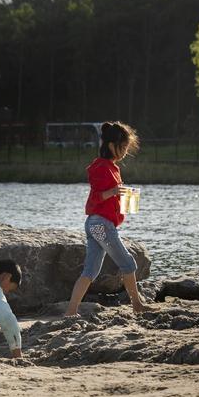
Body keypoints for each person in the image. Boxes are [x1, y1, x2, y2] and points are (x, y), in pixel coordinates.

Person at [65, 121, 154, 317]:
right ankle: (137, 305)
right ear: (111, 145)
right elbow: (96, 196)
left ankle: (70, 312)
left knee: (90, 271)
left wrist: (123, 198)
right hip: (99, 225)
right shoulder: (99, 167)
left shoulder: (114, 168)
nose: (124, 152)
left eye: (126, 148)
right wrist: (113, 191)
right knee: (128, 264)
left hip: (98, 225)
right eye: (122, 147)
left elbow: (109, 197)